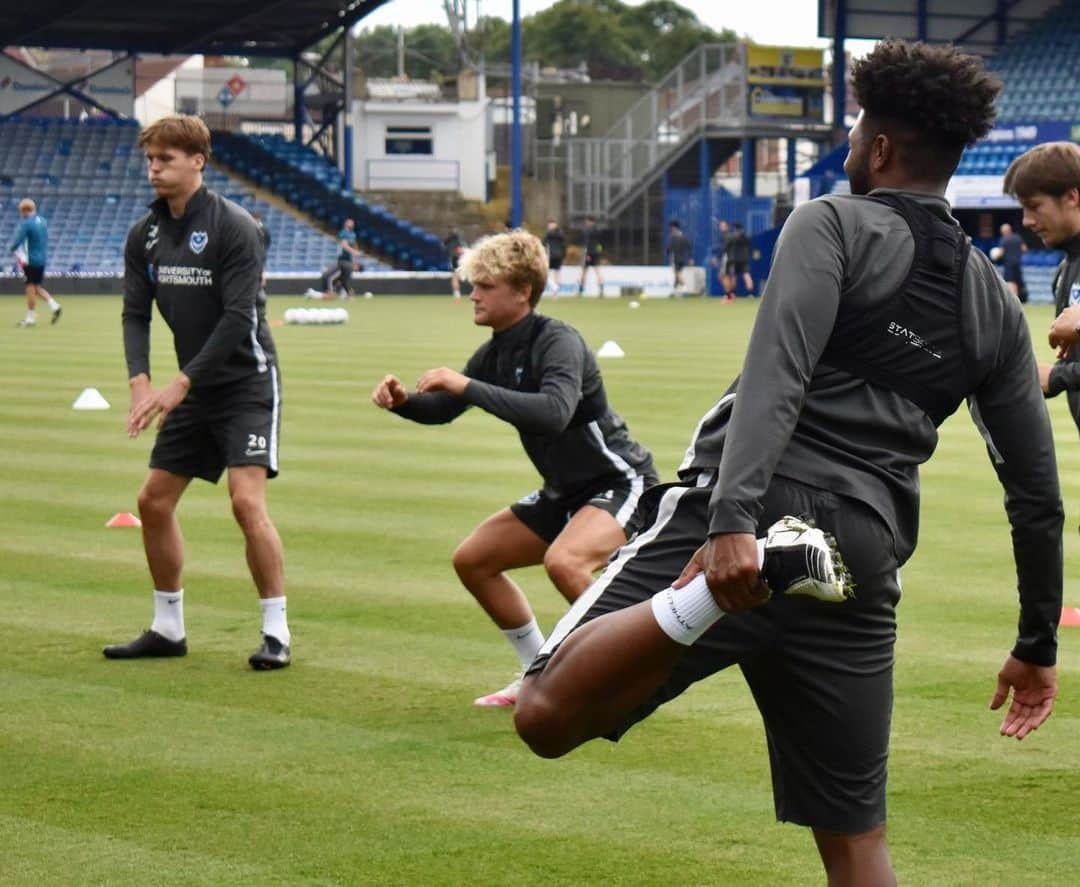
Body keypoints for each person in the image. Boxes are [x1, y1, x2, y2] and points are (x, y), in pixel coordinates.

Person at [514, 40, 1061, 887]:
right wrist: (1035, 643)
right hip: (866, 555)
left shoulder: (831, 223)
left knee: (544, 713)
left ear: (878, 148)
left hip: (755, 516)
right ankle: (771, 567)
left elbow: (778, 375)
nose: (849, 146)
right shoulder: (993, 300)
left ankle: (704, 595)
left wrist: (732, 524)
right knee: (855, 839)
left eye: (854, 133)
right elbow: (1036, 492)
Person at [372, 230, 658, 707]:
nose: (473, 294)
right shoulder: (496, 351)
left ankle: (633, 674)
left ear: (523, 291)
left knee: (565, 563)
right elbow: (442, 410)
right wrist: (404, 402)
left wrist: (465, 385)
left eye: (485, 285)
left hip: (619, 481)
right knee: (474, 560)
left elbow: (553, 412)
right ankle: (533, 673)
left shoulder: (558, 341)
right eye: (473, 284)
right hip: (564, 491)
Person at [105, 114, 291, 670]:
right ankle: (167, 627)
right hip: (193, 389)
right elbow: (135, 314)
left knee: (245, 502)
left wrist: (179, 383)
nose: (154, 169)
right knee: (152, 501)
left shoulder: (236, 226)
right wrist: (140, 382)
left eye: (165, 159)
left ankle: (277, 632)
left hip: (246, 383)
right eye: (150, 159)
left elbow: (238, 318)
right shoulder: (145, 234)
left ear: (197, 162)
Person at [1004, 142, 1080, 407]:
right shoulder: (1064, 271)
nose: (1026, 221)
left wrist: (1058, 377)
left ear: (1072, 197)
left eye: (1034, 206)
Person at [9, 198, 61, 327]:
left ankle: (30, 318)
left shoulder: (27, 224)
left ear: (23, 211)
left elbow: (18, 241)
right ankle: (55, 307)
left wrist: (12, 249)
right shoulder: (42, 221)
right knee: (36, 288)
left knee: (30, 289)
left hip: (30, 260)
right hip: (41, 259)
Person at [306, 218, 362, 300]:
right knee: (331, 277)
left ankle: (343, 294)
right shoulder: (343, 233)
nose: (351, 224)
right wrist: (354, 252)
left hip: (348, 262)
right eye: (349, 222)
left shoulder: (353, 234)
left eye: (352, 223)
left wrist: (355, 260)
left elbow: (354, 246)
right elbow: (344, 245)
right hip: (343, 261)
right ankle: (328, 293)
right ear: (345, 224)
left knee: (343, 279)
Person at [722, 222, 754, 298]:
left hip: (734, 259)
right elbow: (750, 245)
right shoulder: (745, 236)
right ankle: (750, 293)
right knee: (746, 275)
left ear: (734, 228)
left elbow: (726, 247)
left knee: (733, 276)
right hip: (744, 259)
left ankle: (732, 293)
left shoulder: (731, 236)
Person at [997, 222, 1027, 301]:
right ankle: (1019, 299)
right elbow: (1024, 249)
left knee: (1010, 281)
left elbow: (1001, 253)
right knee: (1018, 281)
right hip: (1018, 263)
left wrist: (995, 256)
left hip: (1009, 263)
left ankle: (1014, 299)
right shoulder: (1017, 237)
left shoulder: (1004, 240)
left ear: (1004, 231)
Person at [577, 215, 604, 297]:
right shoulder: (598, 230)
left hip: (589, 253)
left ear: (589, 221)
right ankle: (601, 290)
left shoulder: (587, 231)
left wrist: (587, 254)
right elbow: (600, 242)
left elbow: (586, 243)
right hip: (596, 252)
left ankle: (580, 291)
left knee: (584, 272)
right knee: (598, 271)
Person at [666, 219, 692, 296]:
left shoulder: (673, 236)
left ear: (674, 227)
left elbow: (670, 247)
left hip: (676, 258)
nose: (671, 229)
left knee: (677, 273)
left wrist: (667, 251)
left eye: (671, 227)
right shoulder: (683, 236)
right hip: (682, 258)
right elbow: (689, 247)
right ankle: (674, 291)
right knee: (676, 275)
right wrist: (690, 257)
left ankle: (685, 288)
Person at [542, 217, 566, 296]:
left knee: (557, 273)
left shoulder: (555, 234)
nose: (551, 226)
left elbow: (563, 245)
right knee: (546, 274)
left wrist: (563, 255)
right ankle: (554, 289)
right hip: (550, 256)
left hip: (557, 256)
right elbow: (544, 244)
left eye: (552, 224)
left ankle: (556, 292)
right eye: (550, 224)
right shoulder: (550, 234)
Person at [252, 210, 271, 297]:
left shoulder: (264, 230)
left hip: (260, 256)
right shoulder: (250, 228)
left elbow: (268, 242)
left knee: (261, 273)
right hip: (253, 255)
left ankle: (261, 293)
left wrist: (262, 251)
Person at [444, 226, 466, 300]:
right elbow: (460, 251)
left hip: (457, 259)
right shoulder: (457, 241)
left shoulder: (448, 241)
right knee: (455, 277)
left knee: (455, 277)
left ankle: (457, 294)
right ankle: (457, 294)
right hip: (459, 259)